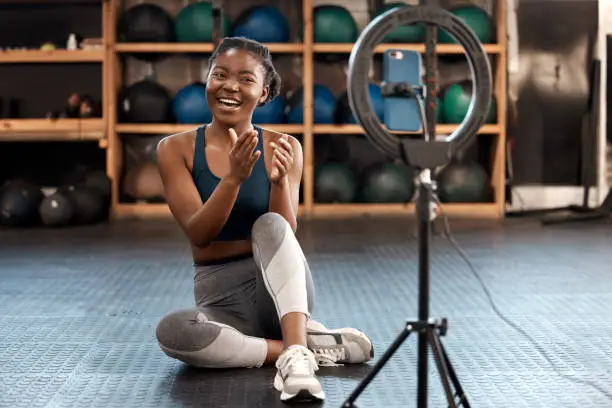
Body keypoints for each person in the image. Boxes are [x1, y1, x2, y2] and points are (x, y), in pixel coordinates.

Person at [154, 36, 374, 403]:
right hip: (219, 299)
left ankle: (295, 351)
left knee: (270, 225)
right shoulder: (173, 149)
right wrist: (233, 179)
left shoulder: (285, 147)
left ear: (265, 93)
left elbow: (285, 234)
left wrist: (276, 184)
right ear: (207, 80)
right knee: (173, 332)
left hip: (279, 293)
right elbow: (200, 232)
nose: (230, 86)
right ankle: (297, 347)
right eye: (219, 74)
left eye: (245, 79)